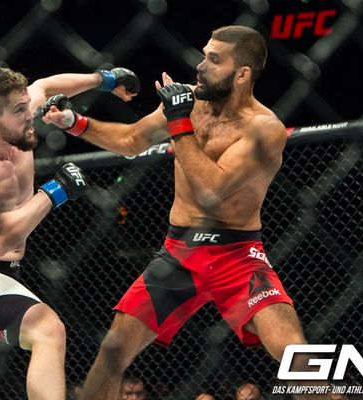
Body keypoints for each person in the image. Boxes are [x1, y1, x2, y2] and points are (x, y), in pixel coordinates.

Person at [42, 25, 322, 400]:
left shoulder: (264, 129)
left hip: (238, 256)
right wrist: (74, 123)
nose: (201, 65)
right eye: (204, 55)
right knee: (113, 350)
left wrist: (178, 121)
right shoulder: (189, 103)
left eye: (214, 59)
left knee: (294, 353)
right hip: (180, 252)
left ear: (242, 74)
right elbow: (131, 140)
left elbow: (213, 189)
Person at [0, 64, 139, 400]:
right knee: (47, 330)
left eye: (27, 106)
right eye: (20, 111)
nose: (30, 114)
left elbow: (45, 86)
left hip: (6, 275)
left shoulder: (15, 119)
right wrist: (54, 192)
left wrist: (106, 80)